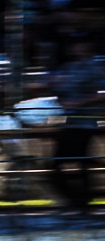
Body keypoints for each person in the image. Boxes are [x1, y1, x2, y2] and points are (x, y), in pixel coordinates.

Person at [50, 39, 105, 209]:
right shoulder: (70, 67)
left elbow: (102, 92)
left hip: (85, 121)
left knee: (77, 161)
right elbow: (60, 89)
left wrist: (79, 102)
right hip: (70, 121)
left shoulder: (95, 66)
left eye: (79, 44)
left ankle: (82, 200)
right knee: (67, 162)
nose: (75, 47)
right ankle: (80, 199)